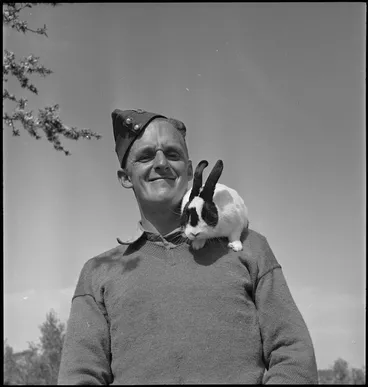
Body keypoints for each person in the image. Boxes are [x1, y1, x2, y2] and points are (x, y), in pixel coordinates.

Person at [58, 108, 318, 384]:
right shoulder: (98, 272)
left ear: (191, 170)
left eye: (172, 154)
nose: (161, 163)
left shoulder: (248, 246)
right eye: (146, 156)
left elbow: (293, 353)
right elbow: (80, 375)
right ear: (125, 177)